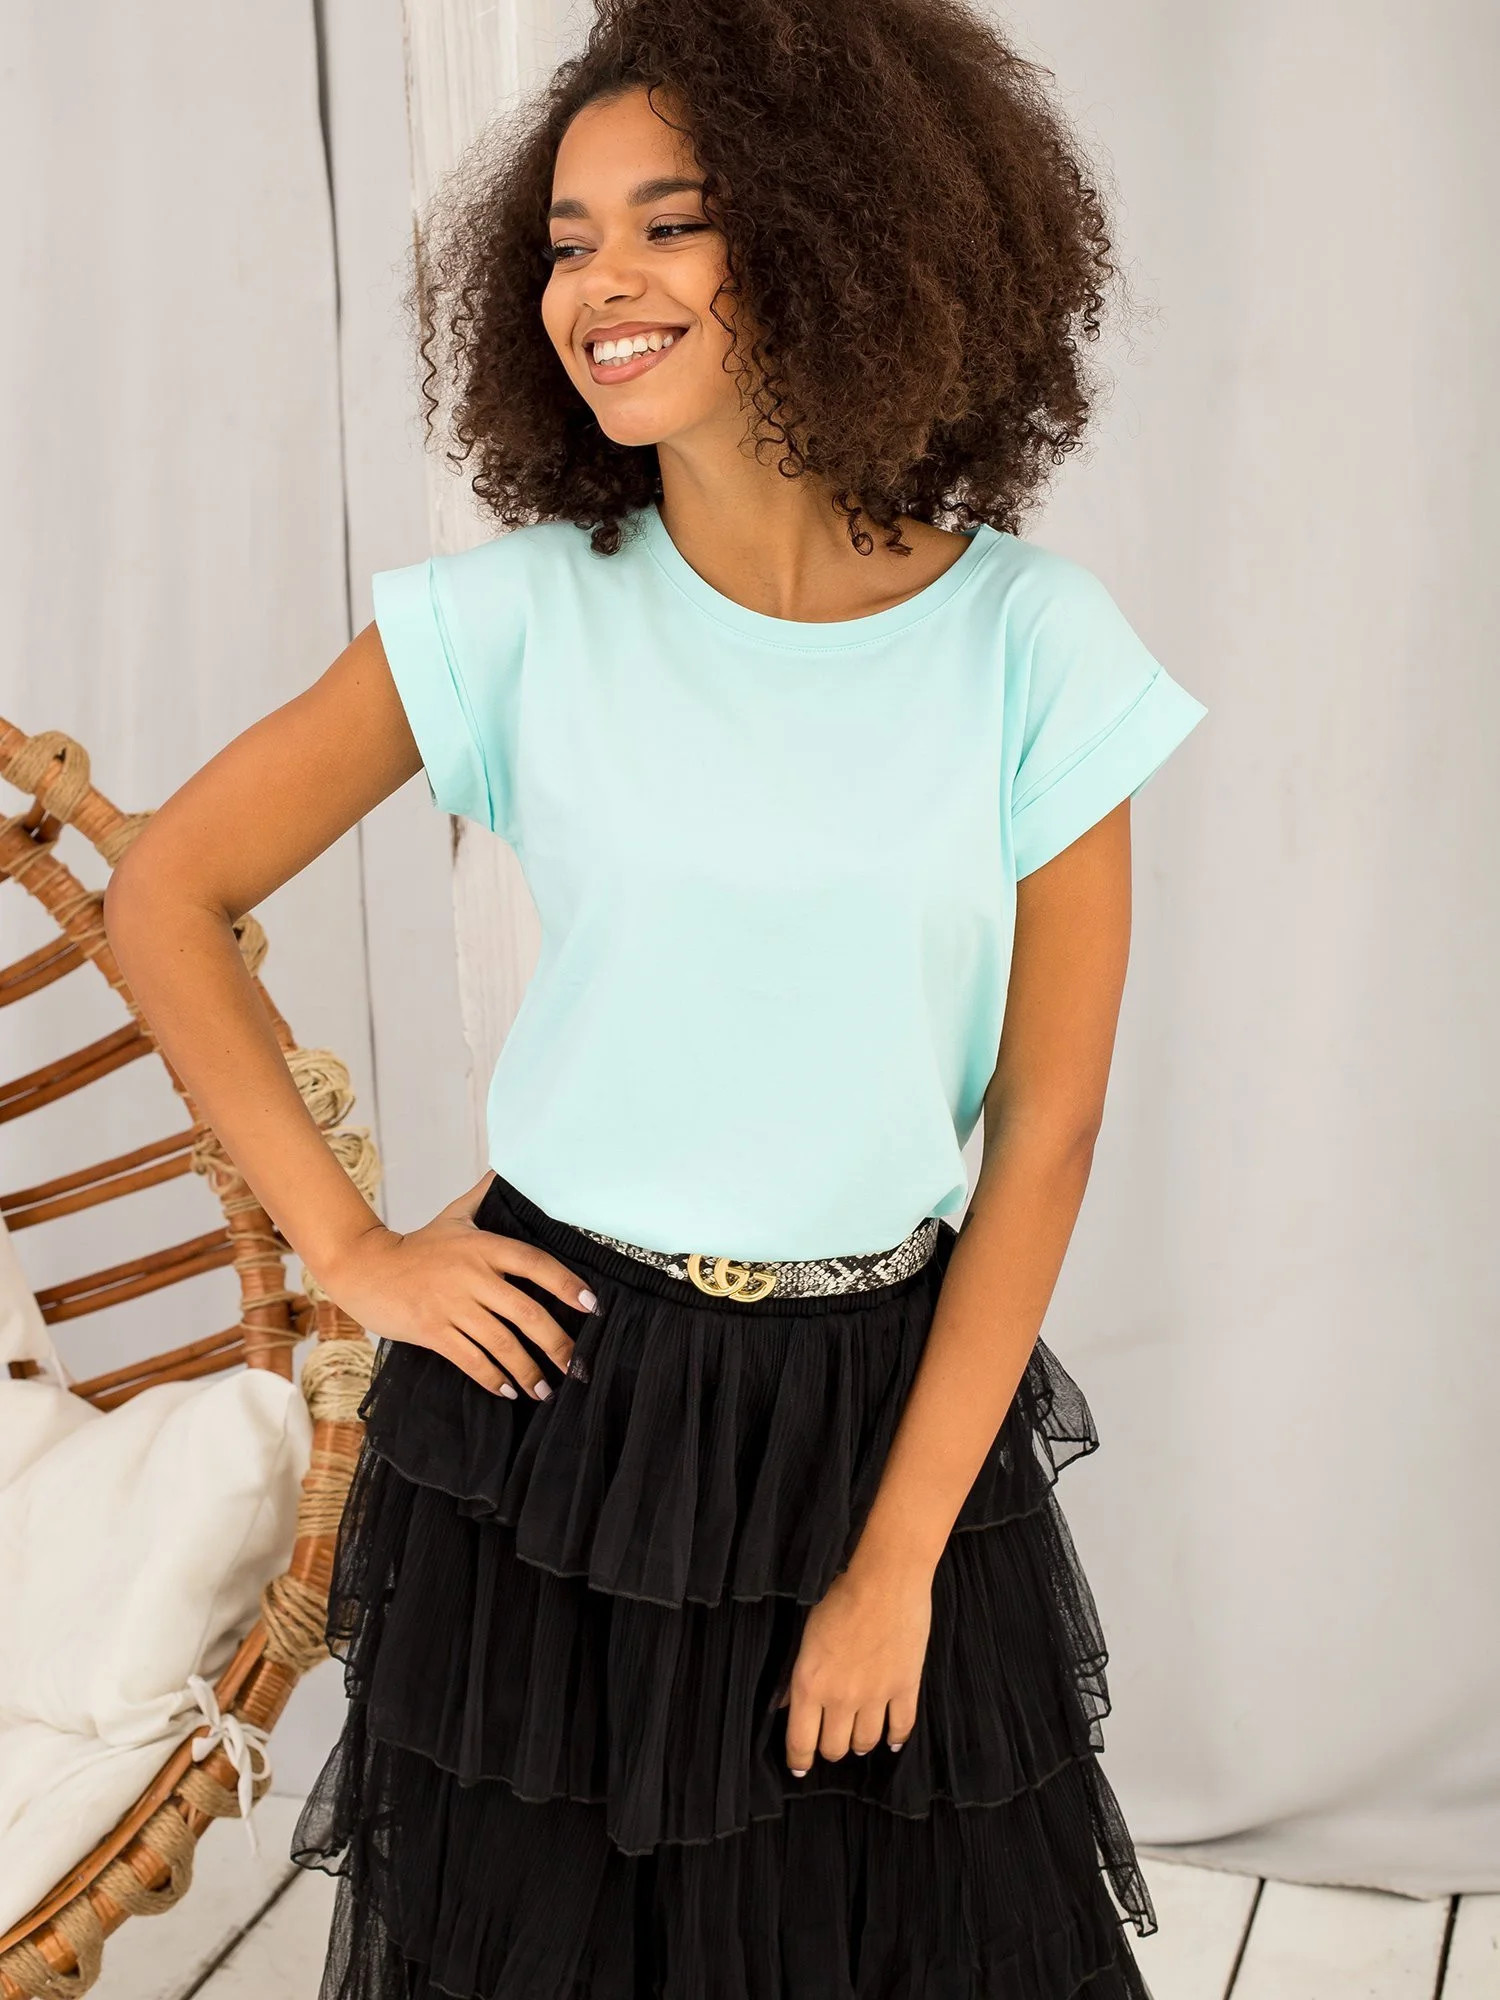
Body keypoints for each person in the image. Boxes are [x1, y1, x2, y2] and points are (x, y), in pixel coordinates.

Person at [104, 0, 1208, 1993]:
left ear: (837, 231)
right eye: (565, 240)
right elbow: (164, 891)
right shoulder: (518, 618)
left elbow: (1047, 1129)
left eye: (668, 224)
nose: (596, 284)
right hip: (559, 1406)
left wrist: (896, 1561)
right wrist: (352, 1250)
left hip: (888, 1414)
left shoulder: (1034, 647)